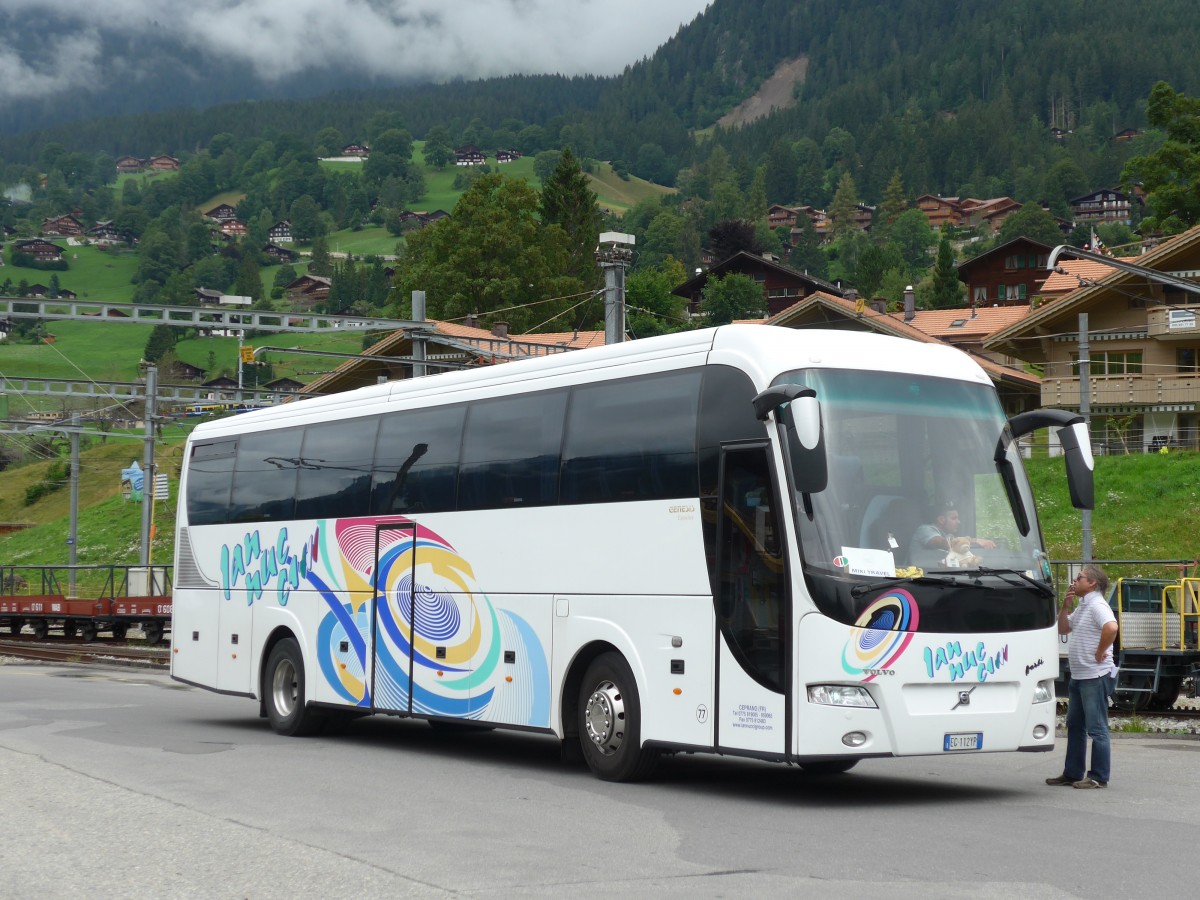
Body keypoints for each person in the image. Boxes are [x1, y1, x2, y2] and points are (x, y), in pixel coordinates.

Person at [1046, 564, 1118, 789]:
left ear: (1092, 583)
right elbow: (1063, 629)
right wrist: (1066, 607)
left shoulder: (1097, 604)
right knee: (1075, 725)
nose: (1075, 581)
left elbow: (1112, 627)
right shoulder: (1084, 605)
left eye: (1080, 577)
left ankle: (1098, 776)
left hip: (1095, 675)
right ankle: (1073, 772)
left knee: (1097, 727)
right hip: (1080, 675)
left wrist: (1099, 651)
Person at [908, 500, 995, 568]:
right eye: (954, 518)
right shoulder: (925, 530)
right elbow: (943, 543)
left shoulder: (947, 535)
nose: (959, 522)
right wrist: (975, 541)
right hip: (914, 577)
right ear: (941, 520)